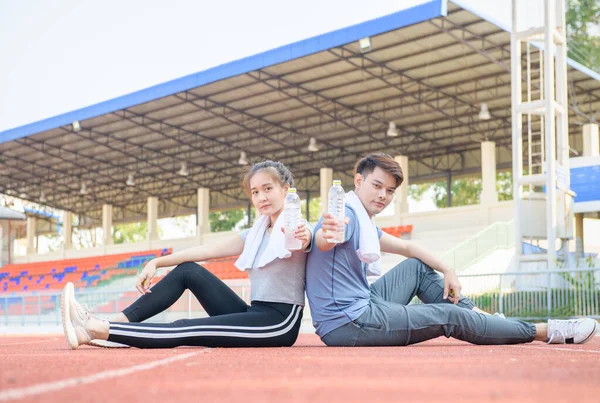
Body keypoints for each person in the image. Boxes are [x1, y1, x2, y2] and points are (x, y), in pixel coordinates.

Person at [306, 153, 597, 347]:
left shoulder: (364, 218)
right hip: (348, 323)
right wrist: (328, 237)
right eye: (377, 186)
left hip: (364, 301)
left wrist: (448, 269)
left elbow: (408, 246)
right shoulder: (346, 215)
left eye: (390, 191)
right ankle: (549, 332)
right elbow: (325, 238)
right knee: (450, 317)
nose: (383, 195)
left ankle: (483, 318)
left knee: (418, 267)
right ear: (359, 180)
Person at [61, 160, 312, 349]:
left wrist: (306, 237)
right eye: (255, 192)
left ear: (285, 189)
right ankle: (119, 322)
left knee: (186, 327)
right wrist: (156, 262)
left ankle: (95, 330)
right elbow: (205, 251)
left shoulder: (298, 227)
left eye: (268, 188)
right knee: (188, 270)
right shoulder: (256, 233)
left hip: (278, 323)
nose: (261, 197)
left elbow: (309, 239)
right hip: (253, 312)